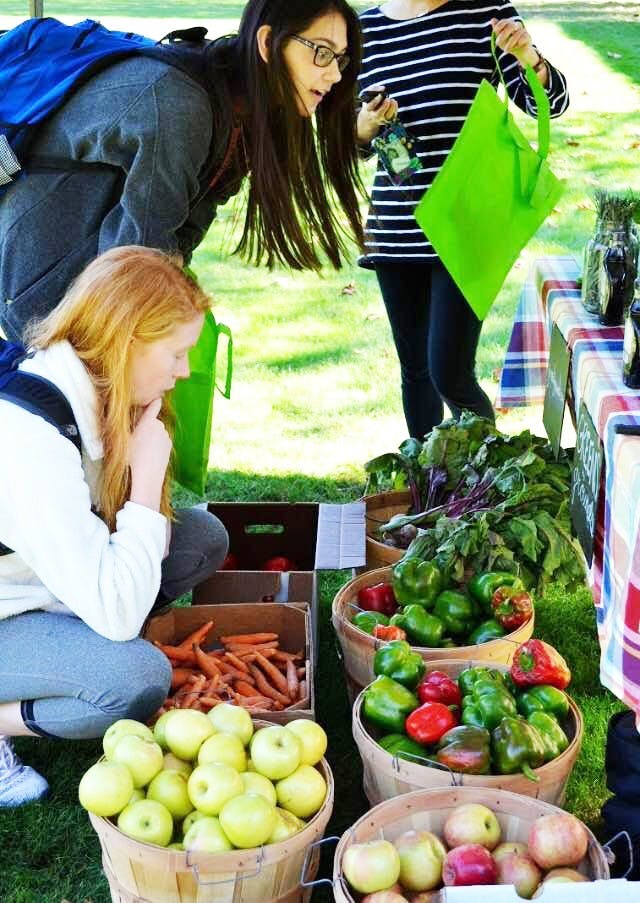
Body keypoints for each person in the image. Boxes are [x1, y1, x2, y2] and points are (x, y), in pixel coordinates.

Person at [0, 246, 229, 807]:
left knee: (202, 539)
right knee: (133, 678)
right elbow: (120, 616)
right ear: (128, 341)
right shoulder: (29, 441)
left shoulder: (97, 389)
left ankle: (62, 654)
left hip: (42, 582)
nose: (185, 371)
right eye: (176, 353)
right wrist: (146, 477)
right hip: (9, 605)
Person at [0, 0, 365, 342]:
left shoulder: (239, 112)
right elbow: (140, 260)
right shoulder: (181, 105)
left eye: (341, 58)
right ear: (268, 42)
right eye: (321, 51)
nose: (334, 74)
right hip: (44, 289)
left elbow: (181, 237)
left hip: (81, 284)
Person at [356, 0, 569, 440]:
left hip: (466, 228)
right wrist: (363, 127)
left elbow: (551, 103)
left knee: (449, 372)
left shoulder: (486, 13)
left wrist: (530, 58)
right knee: (415, 371)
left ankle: (483, 488)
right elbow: (347, 142)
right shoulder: (364, 30)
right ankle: (428, 492)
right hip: (397, 231)